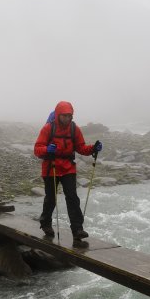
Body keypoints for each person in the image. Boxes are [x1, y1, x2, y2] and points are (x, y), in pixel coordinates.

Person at [34, 101, 102, 244]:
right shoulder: (48, 128)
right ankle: (46, 223)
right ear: (58, 115)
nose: (67, 118)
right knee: (50, 198)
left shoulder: (74, 129)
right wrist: (47, 150)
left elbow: (81, 147)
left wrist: (93, 149)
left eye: (69, 116)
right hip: (51, 167)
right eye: (64, 115)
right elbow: (37, 149)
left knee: (72, 197)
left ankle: (77, 230)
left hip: (67, 168)